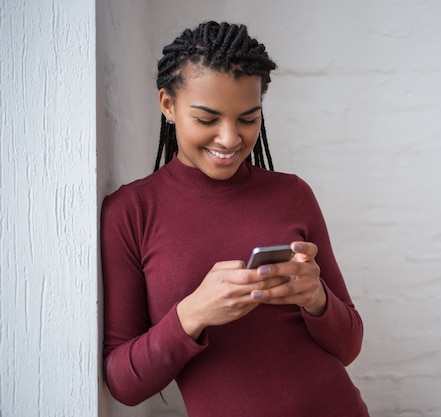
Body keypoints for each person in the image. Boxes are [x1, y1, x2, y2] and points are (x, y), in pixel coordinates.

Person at [101, 20, 370, 417]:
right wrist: (195, 313)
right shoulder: (131, 212)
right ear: (168, 105)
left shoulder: (292, 194)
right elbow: (124, 383)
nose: (230, 139)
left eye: (248, 118)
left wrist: (316, 298)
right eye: (207, 119)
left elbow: (348, 347)